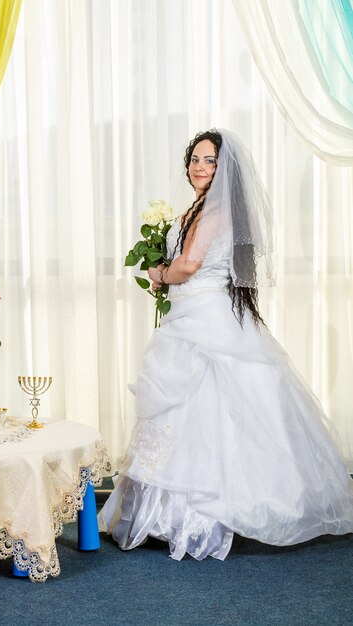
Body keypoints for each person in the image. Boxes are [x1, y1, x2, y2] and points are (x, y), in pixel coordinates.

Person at [99, 128, 353, 561]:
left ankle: (201, 516)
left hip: (207, 318)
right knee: (185, 416)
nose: (200, 166)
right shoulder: (196, 210)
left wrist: (158, 274)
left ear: (224, 169)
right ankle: (170, 516)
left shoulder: (215, 214)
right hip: (190, 315)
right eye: (195, 159)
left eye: (209, 160)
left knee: (211, 415)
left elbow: (189, 265)